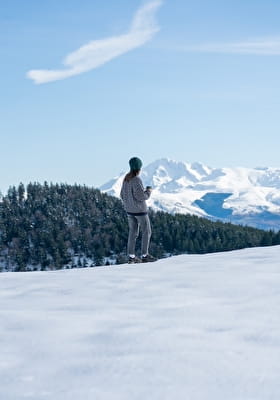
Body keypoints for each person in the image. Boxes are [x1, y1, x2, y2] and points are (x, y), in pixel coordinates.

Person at [120, 157, 157, 264]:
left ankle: (131, 257)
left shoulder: (126, 179)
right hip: (140, 211)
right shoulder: (136, 179)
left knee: (133, 232)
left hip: (129, 211)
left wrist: (129, 203)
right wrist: (148, 191)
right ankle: (145, 255)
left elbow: (122, 195)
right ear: (139, 167)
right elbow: (141, 196)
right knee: (146, 231)